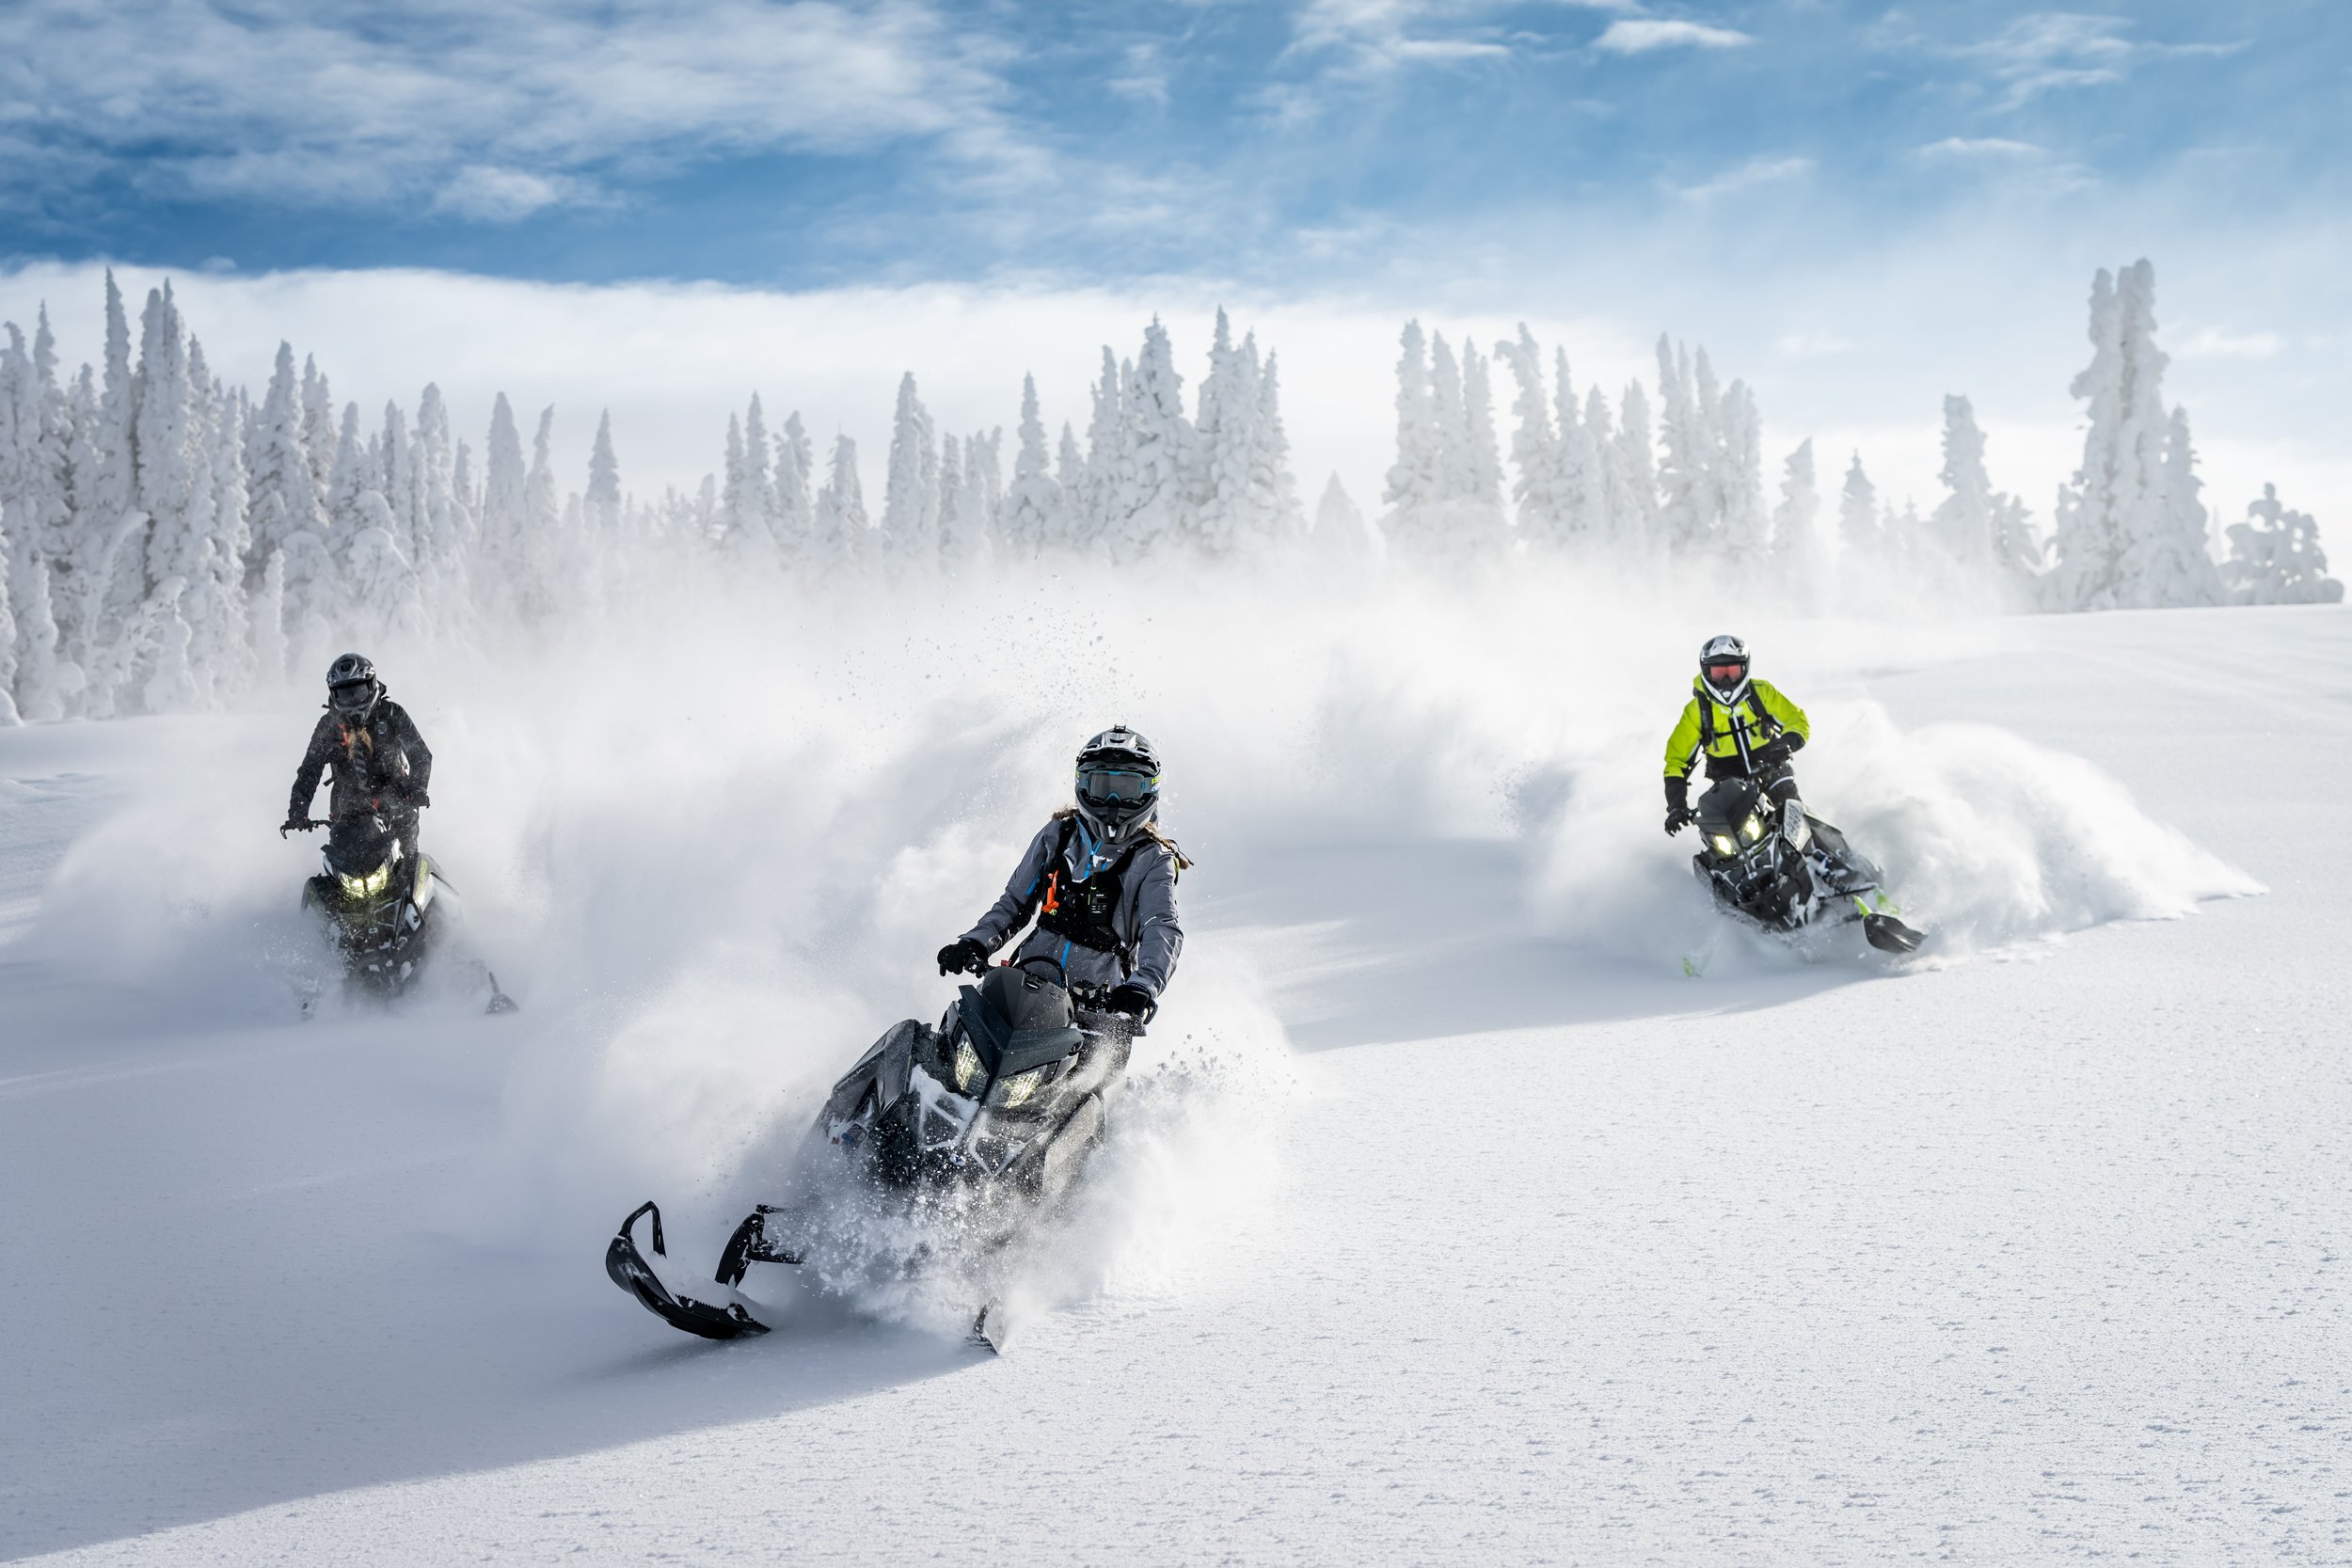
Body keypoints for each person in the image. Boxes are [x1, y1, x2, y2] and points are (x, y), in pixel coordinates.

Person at [936, 725, 1185, 1022]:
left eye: (1127, 789)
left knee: (1093, 1067)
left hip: (1100, 1010)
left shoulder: (1154, 858)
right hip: (1023, 990)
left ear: (1149, 790)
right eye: (1102, 787)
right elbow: (1015, 903)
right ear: (1083, 784)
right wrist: (975, 942)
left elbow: (1161, 927)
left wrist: (1143, 985)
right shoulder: (1057, 835)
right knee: (956, 1038)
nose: (1113, 802)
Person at [283, 653, 434, 860]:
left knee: (407, 858)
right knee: (342, 859)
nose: (353, 701)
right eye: (345, 695)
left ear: (371, 687)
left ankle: (414, 888)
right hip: (348, 806)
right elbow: (310, 769)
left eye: (358, 692)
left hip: (398, 799)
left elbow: (420, 754)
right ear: (334, 695)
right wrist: (298, 811)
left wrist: (417, 788)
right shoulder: (328, 727)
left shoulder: (392, 714)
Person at [1662, 634, 1810, 835]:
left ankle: (1831, 855)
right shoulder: (1697, 710)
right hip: (1729, 784)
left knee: (1794, 816)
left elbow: (1796, 720)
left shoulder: (1761, 692)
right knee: (1730, 836)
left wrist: (1786, 743)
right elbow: (1675, 762)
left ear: (1744, 668)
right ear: (1706, 671)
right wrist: (1676, 807)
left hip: (1771, 766)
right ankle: (1730, 866)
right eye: (1718, 672)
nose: (1725, 680)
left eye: (1731, 671)